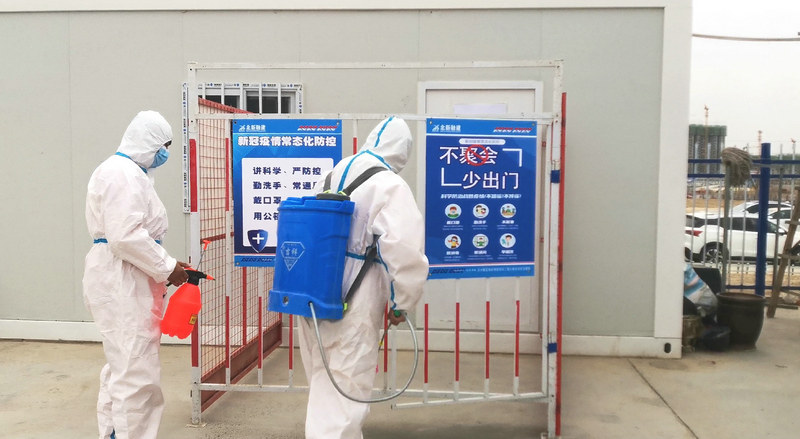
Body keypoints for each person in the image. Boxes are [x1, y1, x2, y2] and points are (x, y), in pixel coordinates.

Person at [297, 117, 429, 439]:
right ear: (402, 151)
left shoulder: (332, 174)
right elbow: (405, 251)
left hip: (313, 289)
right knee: (345, 389)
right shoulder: (389, 185)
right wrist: (403, 301)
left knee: (323, 379)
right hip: (355, 295)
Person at [83, 110, 190, 439]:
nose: (165, 153)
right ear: (148, 141)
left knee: (123, 365)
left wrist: (166, 263)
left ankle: (113, 433)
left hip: (125, 275)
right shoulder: (123, 174)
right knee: (136, 371)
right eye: (164, 146)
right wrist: (168, 267)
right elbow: (125, 236)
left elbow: (131, 236)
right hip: (123, 280)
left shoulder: (128, 172)